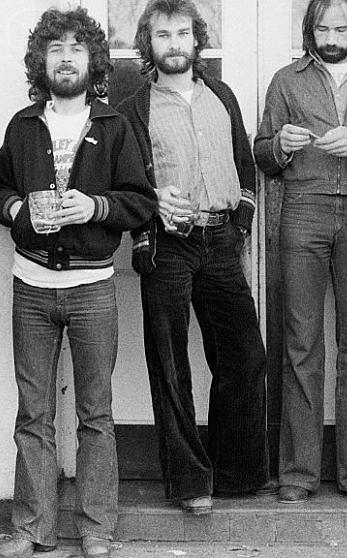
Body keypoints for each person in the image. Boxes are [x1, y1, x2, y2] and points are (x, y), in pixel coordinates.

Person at [0, 8, 155, 558]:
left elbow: (141, 202)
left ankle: (97, 528)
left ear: (93, 61)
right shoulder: (22, 124)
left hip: (92, 288)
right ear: (42, 61)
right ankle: (34, 528)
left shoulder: (114, 125)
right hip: (31, 286)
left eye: (76, 49)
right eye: (55, 49)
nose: (65, 58)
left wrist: (96, 205)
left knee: (95, 414)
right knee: (33, 413)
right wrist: (15, 211)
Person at [117, 0, 270, 516]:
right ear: (149, 44)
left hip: (221, 238)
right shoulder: (134, 108)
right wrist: (153, 205)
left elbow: (246, 170)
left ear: (196, 40)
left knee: (245, 357)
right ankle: (188, 481)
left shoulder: (222, 96)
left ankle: (235, 473)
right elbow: (127, 184)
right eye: (163, 35)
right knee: (170, 362)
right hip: (168, 245)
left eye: (183, 33)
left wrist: (241, 225)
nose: (174, 43)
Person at [253, 0, 347, 505]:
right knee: (300, 342)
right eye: (323, 26)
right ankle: (297, 473)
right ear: (310, 30)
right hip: (303, 209)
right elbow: (261, 152)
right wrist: (283, 144)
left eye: (342, 26)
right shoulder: (286, 80)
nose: (332, 34)